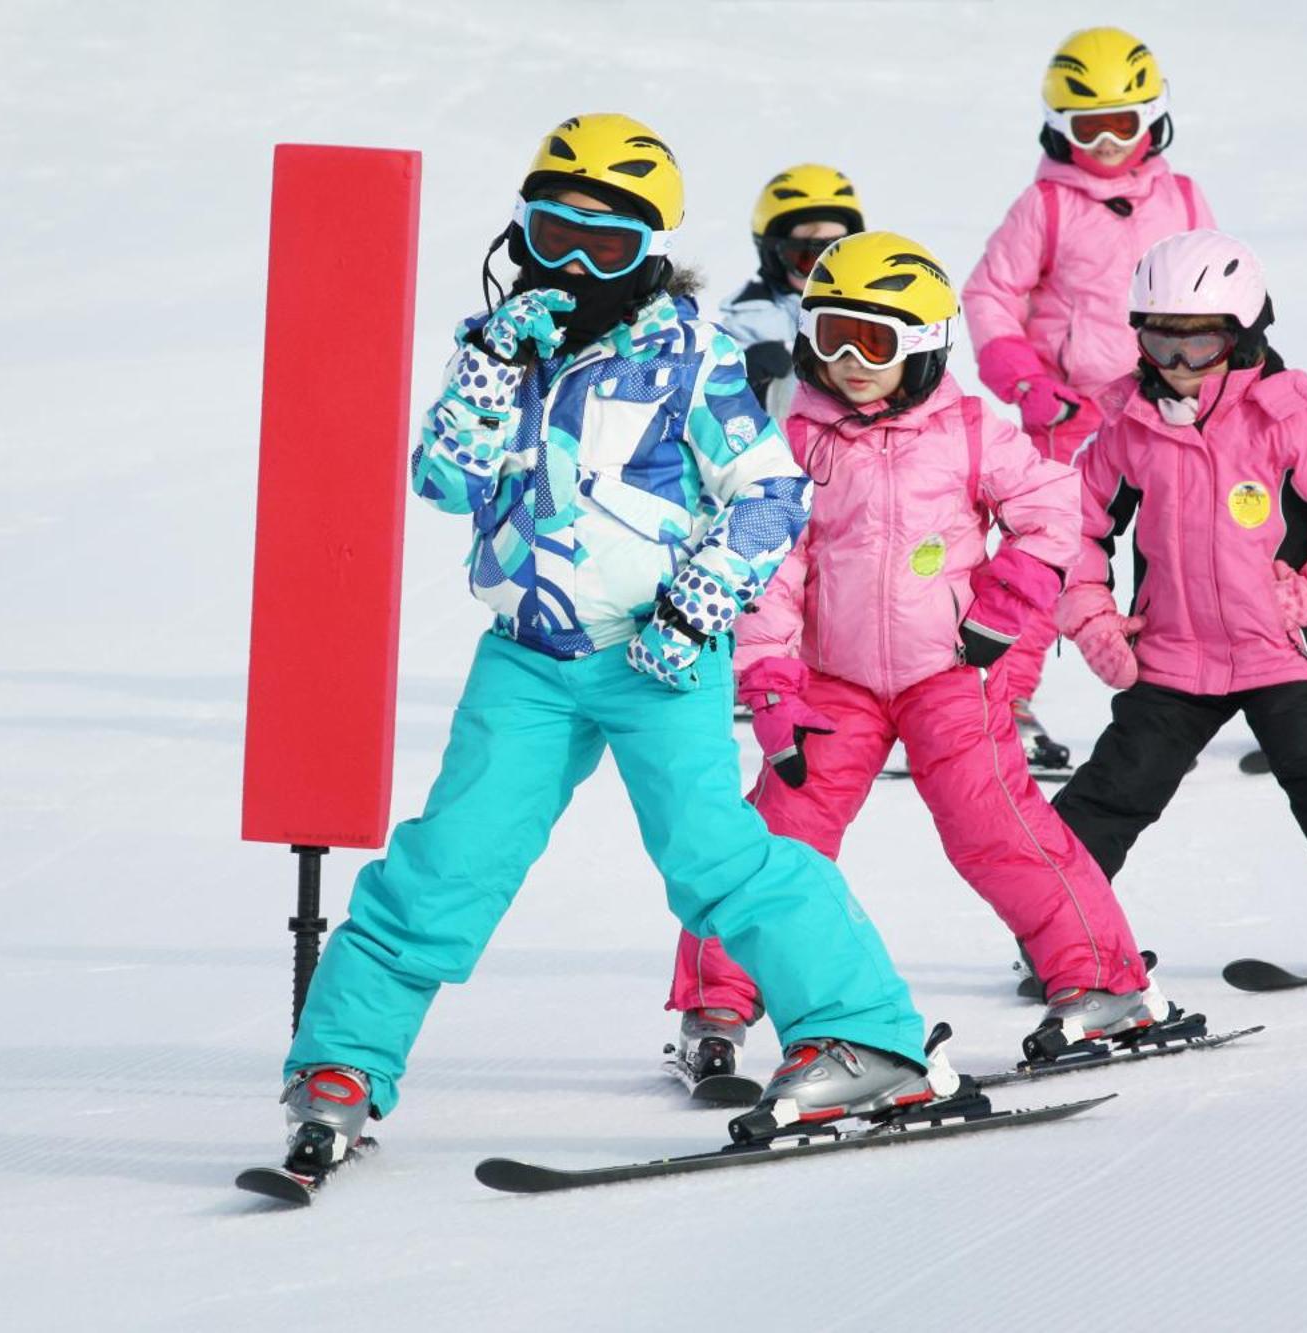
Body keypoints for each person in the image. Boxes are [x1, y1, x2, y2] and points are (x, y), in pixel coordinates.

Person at [276, 116, 959, 1180]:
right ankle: (340, 1068)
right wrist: (494, 366)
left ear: (649, 251)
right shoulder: (501, 348)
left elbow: (769, 493)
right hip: (527, 656)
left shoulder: (694, 355)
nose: (576, 264)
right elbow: (443, 480)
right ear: (521, 233)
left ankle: (863, 1035)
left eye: (607, 245)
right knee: (447, 862)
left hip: (658, 655)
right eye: (555, 234)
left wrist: (697, 604)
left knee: (712, 858)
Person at [667, 230, 1180, 1085]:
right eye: (830, 335)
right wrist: (768, 678)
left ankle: (1104, 982)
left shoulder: (970, 431)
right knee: (773, 837)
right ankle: (716, 1005)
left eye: (873, 342)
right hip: (834, 684)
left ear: (925, 345)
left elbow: (1053, 509)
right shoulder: (793, 440)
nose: (849, 363)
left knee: (1000, 831)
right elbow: (772, 569)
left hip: (949, 672)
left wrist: (1008, 600)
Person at [1051, 229, 1307, 969]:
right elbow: (1069, 526)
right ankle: (1061, 933)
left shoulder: (1288, 416)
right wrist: (1093, 617)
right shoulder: (1126, 426)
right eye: (1158, 342)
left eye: (1198, 344)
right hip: (1175, 648)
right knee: (1116, 785)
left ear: (1243, 336)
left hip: (1280, 640)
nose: (1176, 365)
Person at [962, 27, 1218, 775]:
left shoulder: (1184, 197)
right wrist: (1029, 384)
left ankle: (1226, 686)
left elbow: (1217, 293)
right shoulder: (1045, 205)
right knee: (1050, 559)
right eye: (1087, 127)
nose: (1106, 144)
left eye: (1122, 124)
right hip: (1070, 419)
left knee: (1191, 551)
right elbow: (988, 295)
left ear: (1153, 118)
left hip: (1167, 409)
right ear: (1058, 127)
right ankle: (1000, 698)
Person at [721, 163, 864, 422]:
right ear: (774, 255)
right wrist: (746, 380)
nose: (824, 272)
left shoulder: (871, 313)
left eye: (835, 254)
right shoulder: (746, 325)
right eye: (806, 257)